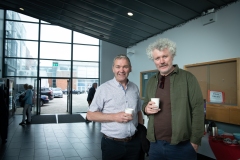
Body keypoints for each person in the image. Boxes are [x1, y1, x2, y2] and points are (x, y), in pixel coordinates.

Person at [142, 38, 204, 160]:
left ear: (173, 56)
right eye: (157, 58)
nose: (161, 61)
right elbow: (145, 104)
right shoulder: (151, 81)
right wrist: (146, 109)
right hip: (155, 145)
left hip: (183, 146)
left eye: (165, 56)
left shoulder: (188, 78)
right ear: (154, 60)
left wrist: (195, 141)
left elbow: (198, 109)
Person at [87, 54, 144, 160]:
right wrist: (115, 117)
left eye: (125, 67)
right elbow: (90, 115)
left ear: (130, 69)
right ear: (113, 68)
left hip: (134, 143)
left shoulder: (135, 88)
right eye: (118, 67)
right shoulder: (103, 89)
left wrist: (140, 129)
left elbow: (138, 111)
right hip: (112, 145)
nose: (121, 70)